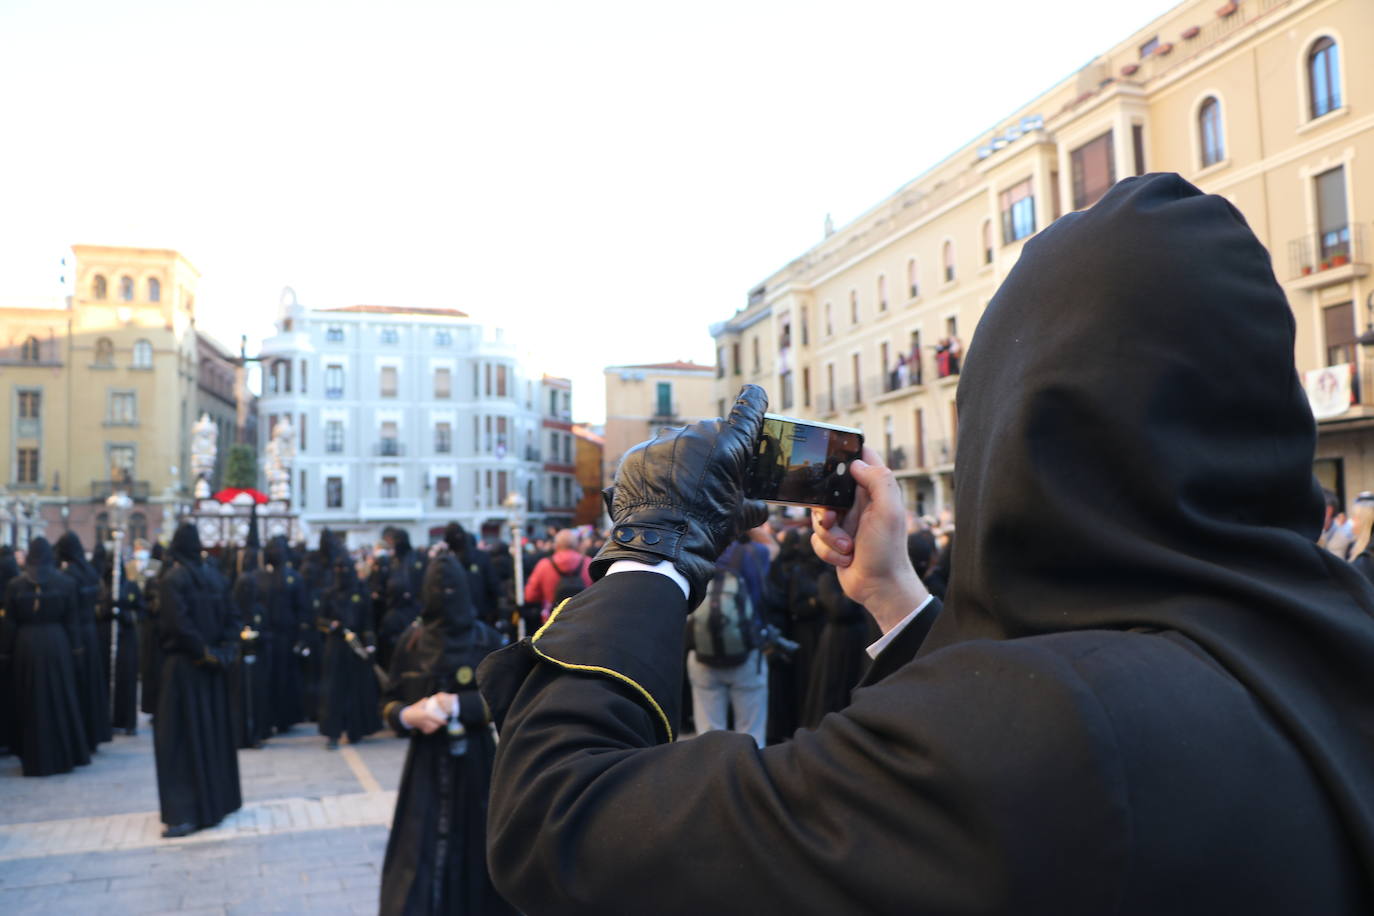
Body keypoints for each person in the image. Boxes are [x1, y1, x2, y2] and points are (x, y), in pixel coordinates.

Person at [474, 175, 1374, 913]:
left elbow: (564, 821)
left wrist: (652, 553)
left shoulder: (1056, 733)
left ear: (1012, 432)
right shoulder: (1336, 632)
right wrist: (899, 601)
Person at [377, 539, 515, 916]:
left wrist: (462, 705)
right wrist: (409, 715)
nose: (445, 596)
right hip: (424, 763)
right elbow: (388, 701)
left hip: (477, 764)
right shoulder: (412, 641)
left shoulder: (485, 639)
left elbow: (508, 702)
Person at [155, 523, 242, 838]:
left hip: (185, 668)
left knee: (179, 740)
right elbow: (234, 619)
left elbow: (178, 626)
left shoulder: (172, 580)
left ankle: (185, 812)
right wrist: (223, 653)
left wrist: (204, 653)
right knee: (211, 734)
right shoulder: (216, 577)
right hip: (212, 668)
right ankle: (215, 802)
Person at [1, 538, 91, 775]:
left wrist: (5, 653)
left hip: (26, 646)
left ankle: (34, 756)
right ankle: (62, 754)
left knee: (29, 700)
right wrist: (77, 651)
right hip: (57, 645)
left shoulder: (15, 585)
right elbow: (72, 622)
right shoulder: (65, 583)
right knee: (58, 697)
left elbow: (9, 623)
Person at [317, 554, 381, 749]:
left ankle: (355, 729)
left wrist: (369, 643)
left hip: (356, 646)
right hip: (335, 646)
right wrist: (331, 625)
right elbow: (319, 620)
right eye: (338, 569)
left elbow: (368, 621)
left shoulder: (361, 592)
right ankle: (333, 733)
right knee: (334, 690)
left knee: (355, 688)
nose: (341, 573)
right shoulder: (329, 593)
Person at [95, 545, 143, 735]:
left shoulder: (130, 587)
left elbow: (140, 610)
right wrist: (105, 609)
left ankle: (127, 720)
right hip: (104, 639)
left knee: (126, 679)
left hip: (125, 640)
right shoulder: (99, 587)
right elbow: (94, 611)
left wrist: (125, 614)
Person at [522, 528, 591, 618]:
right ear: (576, 544)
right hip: (584, 617)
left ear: (555, 545)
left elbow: (530, 596)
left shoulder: (544, 565)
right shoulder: (588, 563)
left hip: (553, 621)